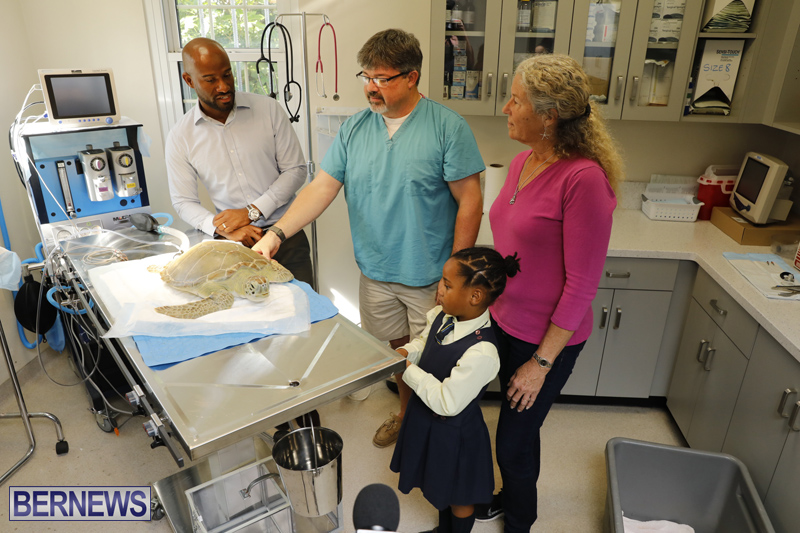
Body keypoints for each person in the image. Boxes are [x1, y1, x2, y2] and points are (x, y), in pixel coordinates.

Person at [253, 29, 484, 448]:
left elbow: (470, 201)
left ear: (411, 77)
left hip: (431, 274)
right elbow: (322, 188)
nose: (371, 87)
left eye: (382, 78)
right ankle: (406, 416)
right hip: (376, 271)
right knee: (398, 351)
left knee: (436, 356)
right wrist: (277, 233)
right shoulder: (355, 130)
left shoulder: (447, 127)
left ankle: (434, 435)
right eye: (366, 77)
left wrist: (456, 274)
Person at [476, 54, 621, 531]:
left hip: (547, 340)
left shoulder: (584, 180)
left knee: (513, 441)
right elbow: (514, 246)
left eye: (515, 101)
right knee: (518, 431)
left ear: (548, 116)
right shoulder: (523, 161)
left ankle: (520, 521)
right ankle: (514, 501)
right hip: (505, 322)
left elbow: (582, 285)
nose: (506, 108)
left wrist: (540, 364)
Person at [390, 247, 521, 533]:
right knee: (440, 486)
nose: (440, 289)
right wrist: (407, 352)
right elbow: (424, 343)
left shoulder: (483, 352)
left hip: (455, 434)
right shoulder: (444, 315)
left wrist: (406, 369)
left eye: (447, 285)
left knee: (459, 497)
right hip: (428, 422)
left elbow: (447, 402)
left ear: (475, 296)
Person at [165, 37, 313, 284]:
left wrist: (252, 211)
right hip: (235, 244)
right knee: (248, 308)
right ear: (189, 81)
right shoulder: (180, 136)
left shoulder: (269, 110)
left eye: (227, 75)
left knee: (304, 306)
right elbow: (183, 201)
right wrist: (219, 229)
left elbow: (295, 170)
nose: (223, 86)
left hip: (287, 235)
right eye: (210, 80)